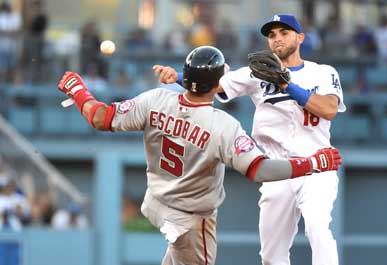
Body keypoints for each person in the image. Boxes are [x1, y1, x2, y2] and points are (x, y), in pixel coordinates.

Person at [57, 46, 342, 265]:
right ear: (217, 85)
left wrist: (79, 91)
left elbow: (100, 118)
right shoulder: (223, 126)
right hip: (192, 222)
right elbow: (260, 171)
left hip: (156, 204)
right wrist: (312, 163)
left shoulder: (156, 99)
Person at [155, 14, 346, 265]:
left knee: (317, 226)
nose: (277, 38)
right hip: (278, 168)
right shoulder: (257, 73)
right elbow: (215, 85)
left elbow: (329, 109)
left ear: (300, 37)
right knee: (271, 255)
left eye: (284, 33)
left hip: (317, 165)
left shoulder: (322, 72)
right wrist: (178, 77)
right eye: (272, 35)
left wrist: (287, 86)